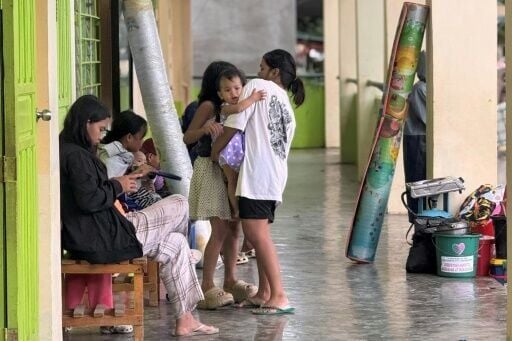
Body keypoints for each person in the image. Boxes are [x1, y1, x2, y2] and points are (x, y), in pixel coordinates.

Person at [60, 95, 218, 336]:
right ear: (85, 123)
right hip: (104, 238)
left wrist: (117, 183)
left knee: (175, 245)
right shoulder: (75, 156)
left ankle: (185, 319)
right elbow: (90, 200)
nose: (103, 135)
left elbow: (89, 194)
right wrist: (118, 185)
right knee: (179, 202)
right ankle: (189, 254)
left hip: (105, 232)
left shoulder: (74, 152)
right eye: (100, 129)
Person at [212, 49, 305, 314]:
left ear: (274, 72)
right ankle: (265, 292)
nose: (258, 71)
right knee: (260, 234)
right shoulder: (286, 104)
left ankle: (279, 295)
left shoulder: (257, 87)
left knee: (256, 236)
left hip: (257, 176)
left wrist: (214, 151)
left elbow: (233, 125)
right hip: (274, 177)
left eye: (262, 66)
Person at [183, 61, 257, 308]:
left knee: (234, 227)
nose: (233, 91)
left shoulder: (235, 108)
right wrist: (205, 129)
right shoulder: (208, 106)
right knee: (221, 227)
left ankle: (230, 280)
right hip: (211, 169)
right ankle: (206, 285)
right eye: (226, 87)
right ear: (217, 87)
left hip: (228, 170)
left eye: (236, 86)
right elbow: (187, 136)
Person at [215, 67, 266, 218]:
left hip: (238, 150)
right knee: (232, 180)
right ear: (220, 94)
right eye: (227, 90)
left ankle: (240, 207)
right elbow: (239, 108)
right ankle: (236, 209)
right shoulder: (225, 108)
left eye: (237, 88)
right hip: (225, 150)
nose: (234, 93)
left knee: (239, 181)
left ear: (243, 88)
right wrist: (253, 97)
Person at [403, 51, 427, 223]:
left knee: (419, 179)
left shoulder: (422, 87)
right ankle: (418, 219)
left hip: (418, 138)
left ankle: (420, 218)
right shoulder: (421, 89)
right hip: (418, 139)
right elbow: (428, 119)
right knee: (417, 180)